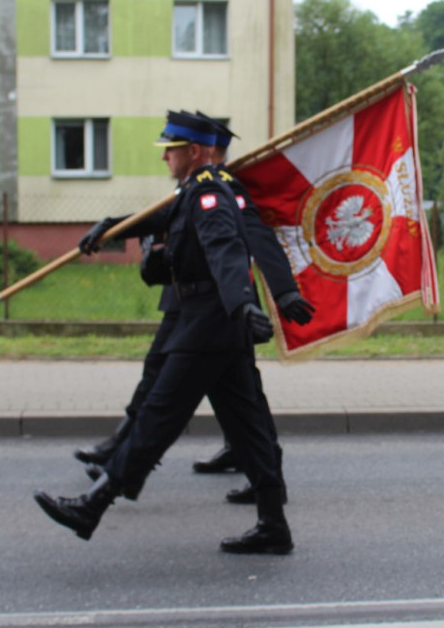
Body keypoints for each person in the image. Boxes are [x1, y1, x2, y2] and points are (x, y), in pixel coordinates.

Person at [34, 111, 293, 554]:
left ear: (193, 152)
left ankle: (93, 506)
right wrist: (110, 227)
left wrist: (243, 303)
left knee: (157, 415)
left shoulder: (209, 189)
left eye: (170, 150)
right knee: (248, 428)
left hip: (208, 325)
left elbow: (226, 250)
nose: (165, 158)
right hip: (216, 327)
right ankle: (274, 525)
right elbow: (159, 217)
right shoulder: (194, 189)